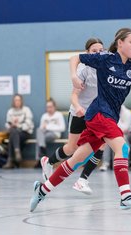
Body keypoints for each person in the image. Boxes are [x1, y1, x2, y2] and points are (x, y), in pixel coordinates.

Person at [30, 28, 131, 212]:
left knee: (76, 159)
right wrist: (74, 76)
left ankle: (42, 191)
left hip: (108, 117)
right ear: (120, 43)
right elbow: (74, 58)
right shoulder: (105, 59)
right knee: (122, 147)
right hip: (99, 113)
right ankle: (125, 196)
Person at [39, 38, 105, 195]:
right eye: (94, 51)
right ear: (87, 53)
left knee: (101, 145)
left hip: (95, 114)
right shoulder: (83, 71)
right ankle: (48, 161)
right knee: (72, 148)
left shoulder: (106, 66)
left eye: (100, 50)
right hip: (79, 113)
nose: (98, 53)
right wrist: (78, 107)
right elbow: (73, 96)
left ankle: (82, 180)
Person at [3, 94, 34, 169]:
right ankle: (17, 152)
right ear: (13, 101)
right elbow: (7, 124)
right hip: (14, 132)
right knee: (13, 132)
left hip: (25, 133)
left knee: (13, 134)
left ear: (21, 101)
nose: (17, 102)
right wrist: (11, 125)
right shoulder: (10, 111)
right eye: (15, 100)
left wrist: (17, 126)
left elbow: (28, 125)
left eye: (18, 100)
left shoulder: (26, 110)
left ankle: (10, 160)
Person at [101, 104, 131, 171]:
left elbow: (125, 128)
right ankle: (106, 163)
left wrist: (116, 119)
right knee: (106, 140)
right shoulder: (109, 112)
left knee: (123, 138)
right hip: (115, 133)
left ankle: (125, 162)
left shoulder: (127, 113)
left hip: (128, 133)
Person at [35, 98, 66, 166]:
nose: (49, 108)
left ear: (54, 107)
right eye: (47, 107)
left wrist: (48, 127)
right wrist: (44, 128)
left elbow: (62, 128)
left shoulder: (58, 115)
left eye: (50, 107)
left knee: (39, 139)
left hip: (54, 134)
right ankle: (42, 149)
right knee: (39, 132)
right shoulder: (44, 116)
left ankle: (39, 160)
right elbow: (41, 129)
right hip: (45, 134)